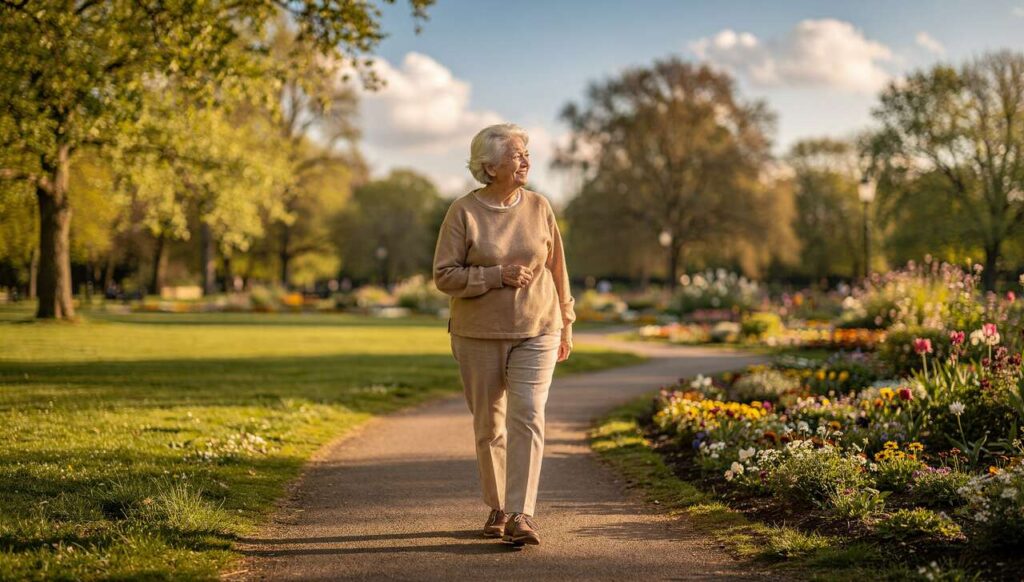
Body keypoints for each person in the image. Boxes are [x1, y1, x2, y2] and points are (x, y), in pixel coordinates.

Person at [432, 123, 576, 547]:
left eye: (526, 153)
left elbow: (558, 269)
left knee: (528, 414)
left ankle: (520, 513)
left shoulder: (540, 207)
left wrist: (566, 322)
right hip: (478, 334)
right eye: (517, 155)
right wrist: (496, 276)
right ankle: (497, 505)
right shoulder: (463, 212)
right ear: (490, 167)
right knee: (489, 425)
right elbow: (444, 275)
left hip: (538, 328)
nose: (526, 160)